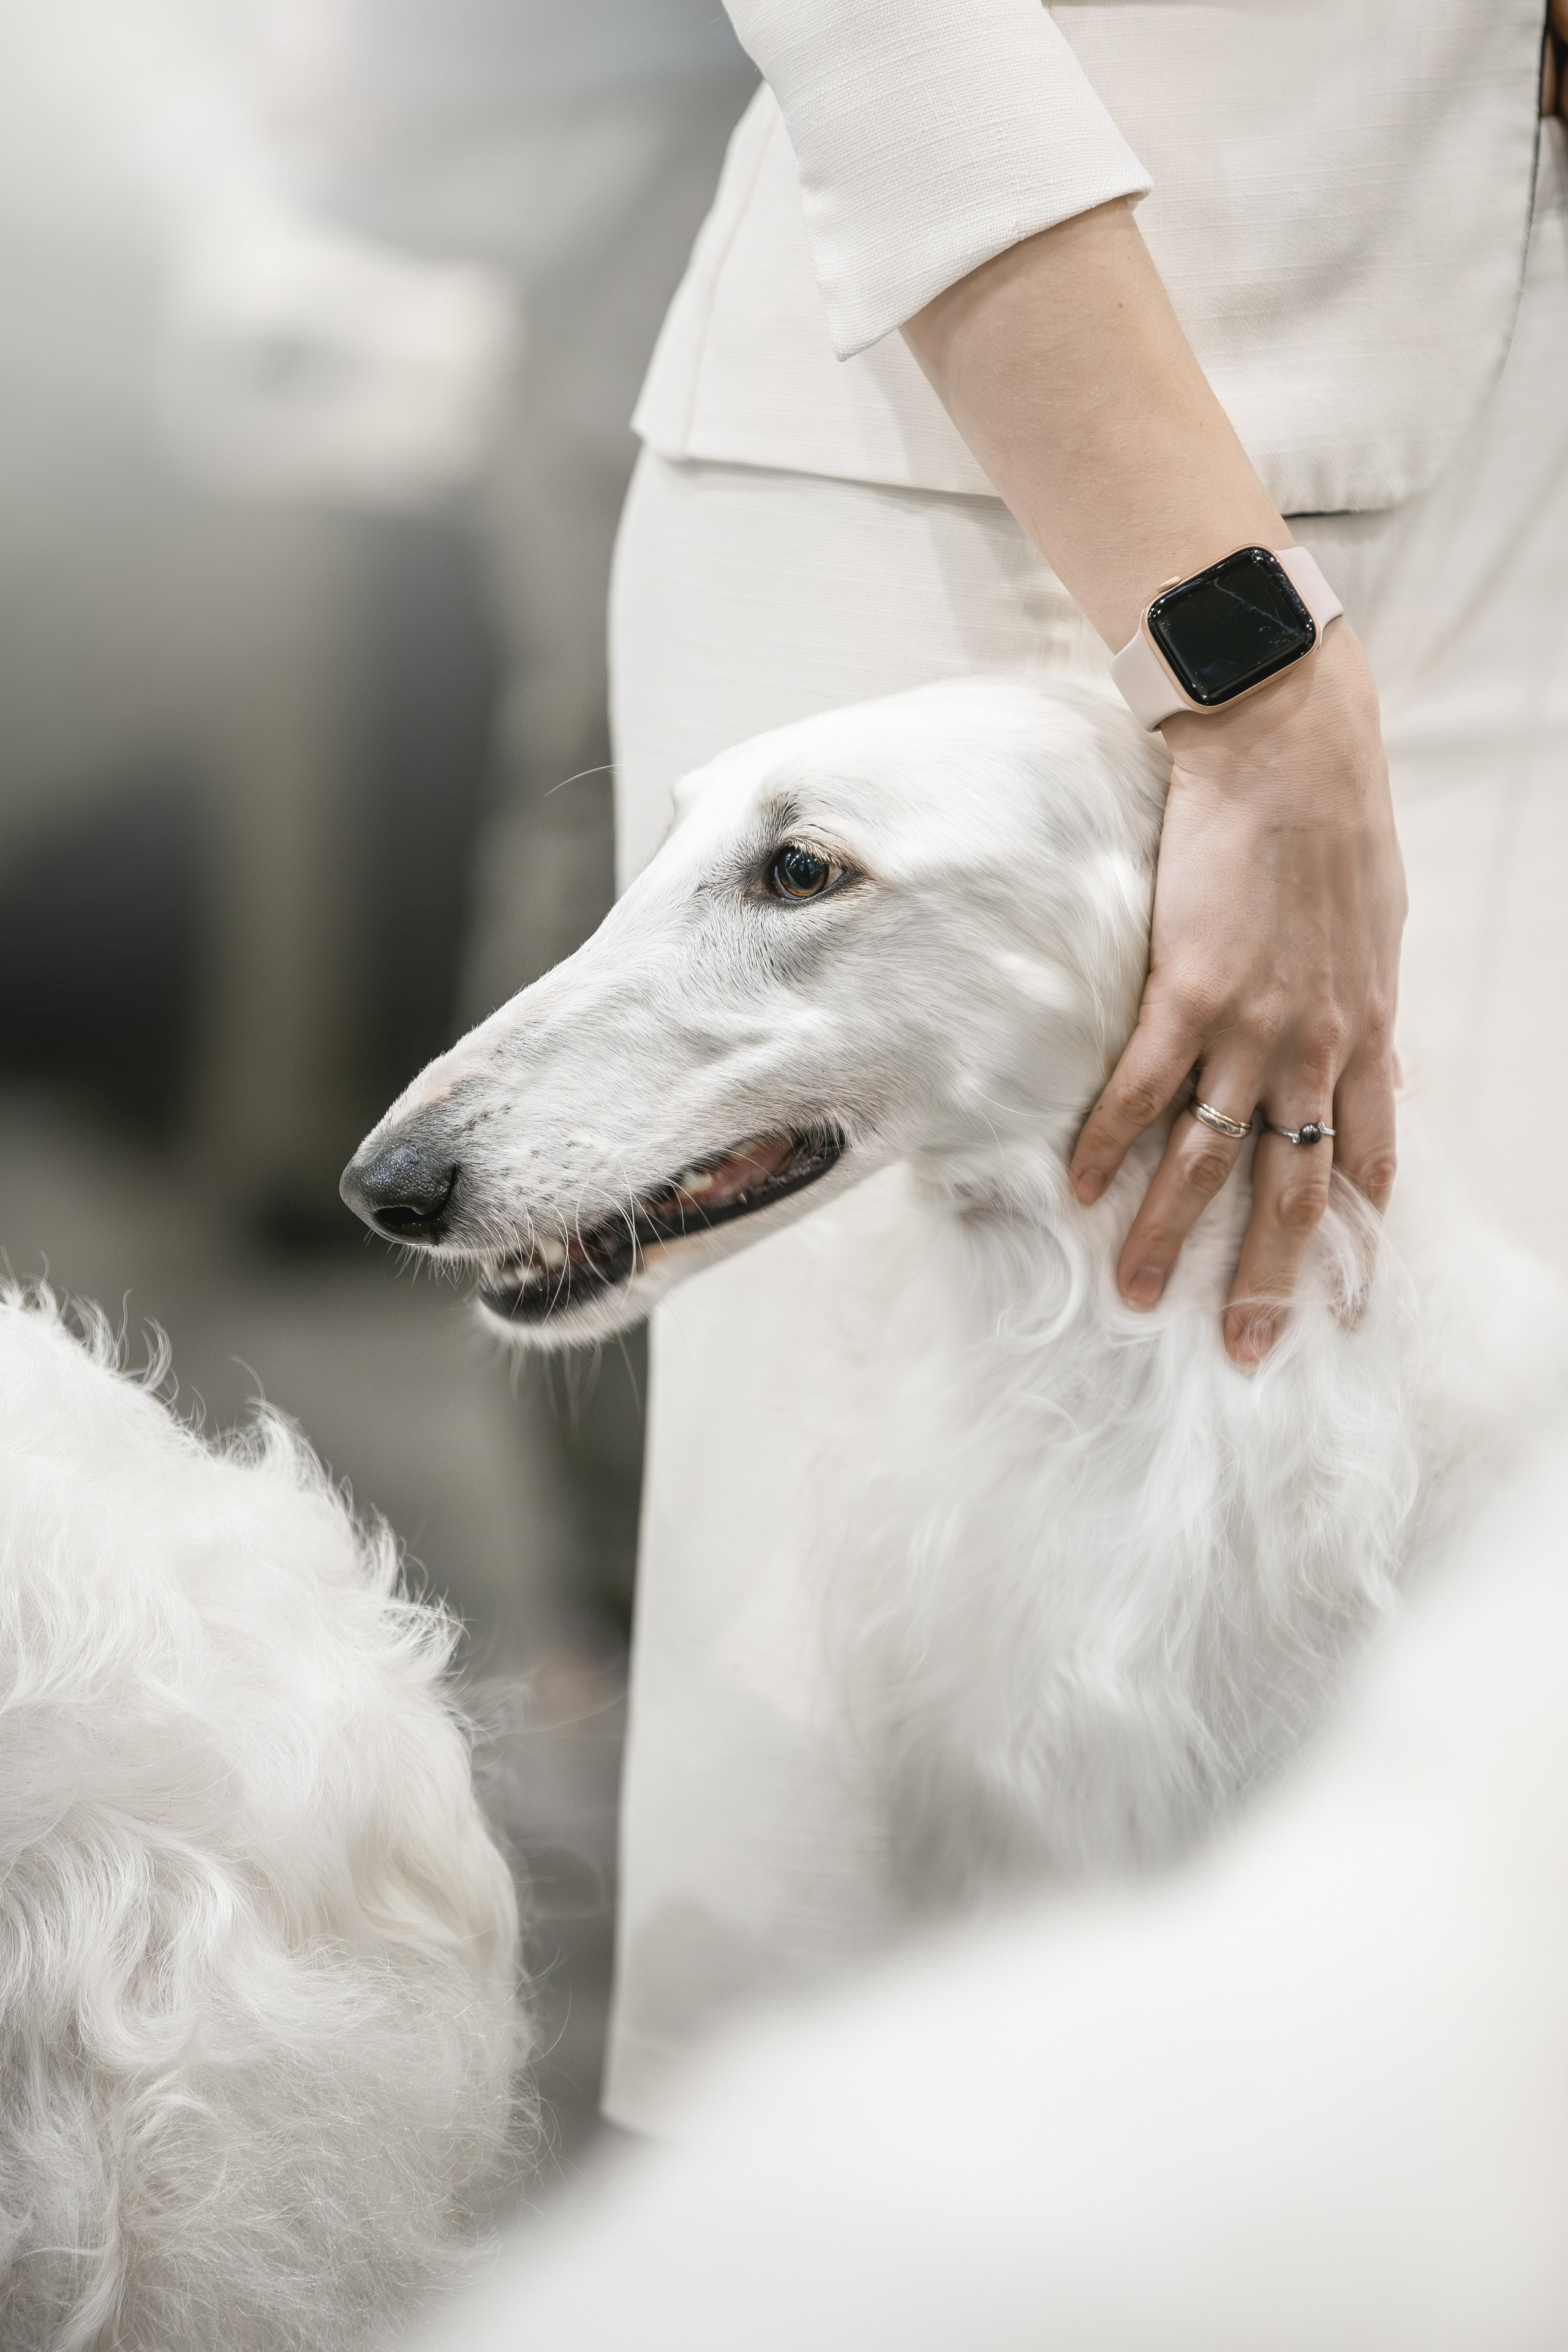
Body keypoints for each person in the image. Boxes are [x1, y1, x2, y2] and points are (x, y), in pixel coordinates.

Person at [599, 0, 1568, 2136]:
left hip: (1539, 439)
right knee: (871, 1790)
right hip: (1019, 415)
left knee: (1473, 1711)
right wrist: (1247, 672)